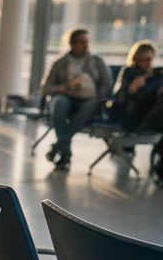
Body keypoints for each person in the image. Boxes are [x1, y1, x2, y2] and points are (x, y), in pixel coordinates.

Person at [40, 27, 110, 170]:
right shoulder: (60, 63)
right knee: (59, 103)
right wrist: (65, 87)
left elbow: (107, 83)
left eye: (87, 42)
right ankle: (64, 151)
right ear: (72, 43)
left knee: (90, 105)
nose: (86, 45)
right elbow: (46, 88)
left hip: (89, 99)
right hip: (66, 97)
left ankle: (59, 148)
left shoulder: (97, 61)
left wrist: (98, 95)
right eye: (81, 42)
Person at [111, 40, 157, 130]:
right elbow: (120, 98)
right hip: (127, 111)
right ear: (137, 59)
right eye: (146, 59)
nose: (149, 63)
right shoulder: (130, 72)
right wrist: (132, 89)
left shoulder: (151, 74)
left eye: (151, 59)